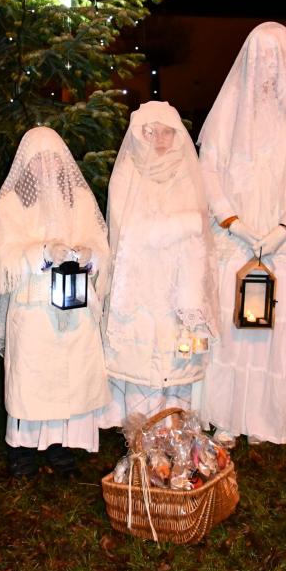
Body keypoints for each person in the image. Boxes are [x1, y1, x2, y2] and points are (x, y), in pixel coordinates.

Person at [197, 22, 286, 445]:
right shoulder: (228, 114)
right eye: (259, 58)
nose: (267, 68)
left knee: (276, 328)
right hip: (235, 239)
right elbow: (208, 171)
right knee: (233, 328)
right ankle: (228, 412)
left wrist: (285, 227)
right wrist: (234, 222)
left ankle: (269, 413)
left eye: (274, 58)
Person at [0, 126, 110, 478]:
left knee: (70, 374)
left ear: (62, 163)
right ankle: (23, 448)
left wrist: (89, 255)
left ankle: (60, 445)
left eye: (52, 160)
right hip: (34, 303)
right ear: (27, 165)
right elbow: (5, 261)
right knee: (32, 377)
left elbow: (100, 243)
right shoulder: (12, 203)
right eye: (38, 160)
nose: (46, 167)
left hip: (74, 299)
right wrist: (41, 252)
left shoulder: (80, 200)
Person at [100, 101, 220, 426]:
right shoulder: (128, 171)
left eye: (167, 132)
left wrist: (176, 230)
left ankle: (176, 435)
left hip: (179, 287)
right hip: (140, 287)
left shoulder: (185, 172)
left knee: (177, 362)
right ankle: (142, 438)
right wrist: (180, 226)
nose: (161, 140)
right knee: (143, 365)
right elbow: (131, 230)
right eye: (152, 133)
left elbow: (198, 230)